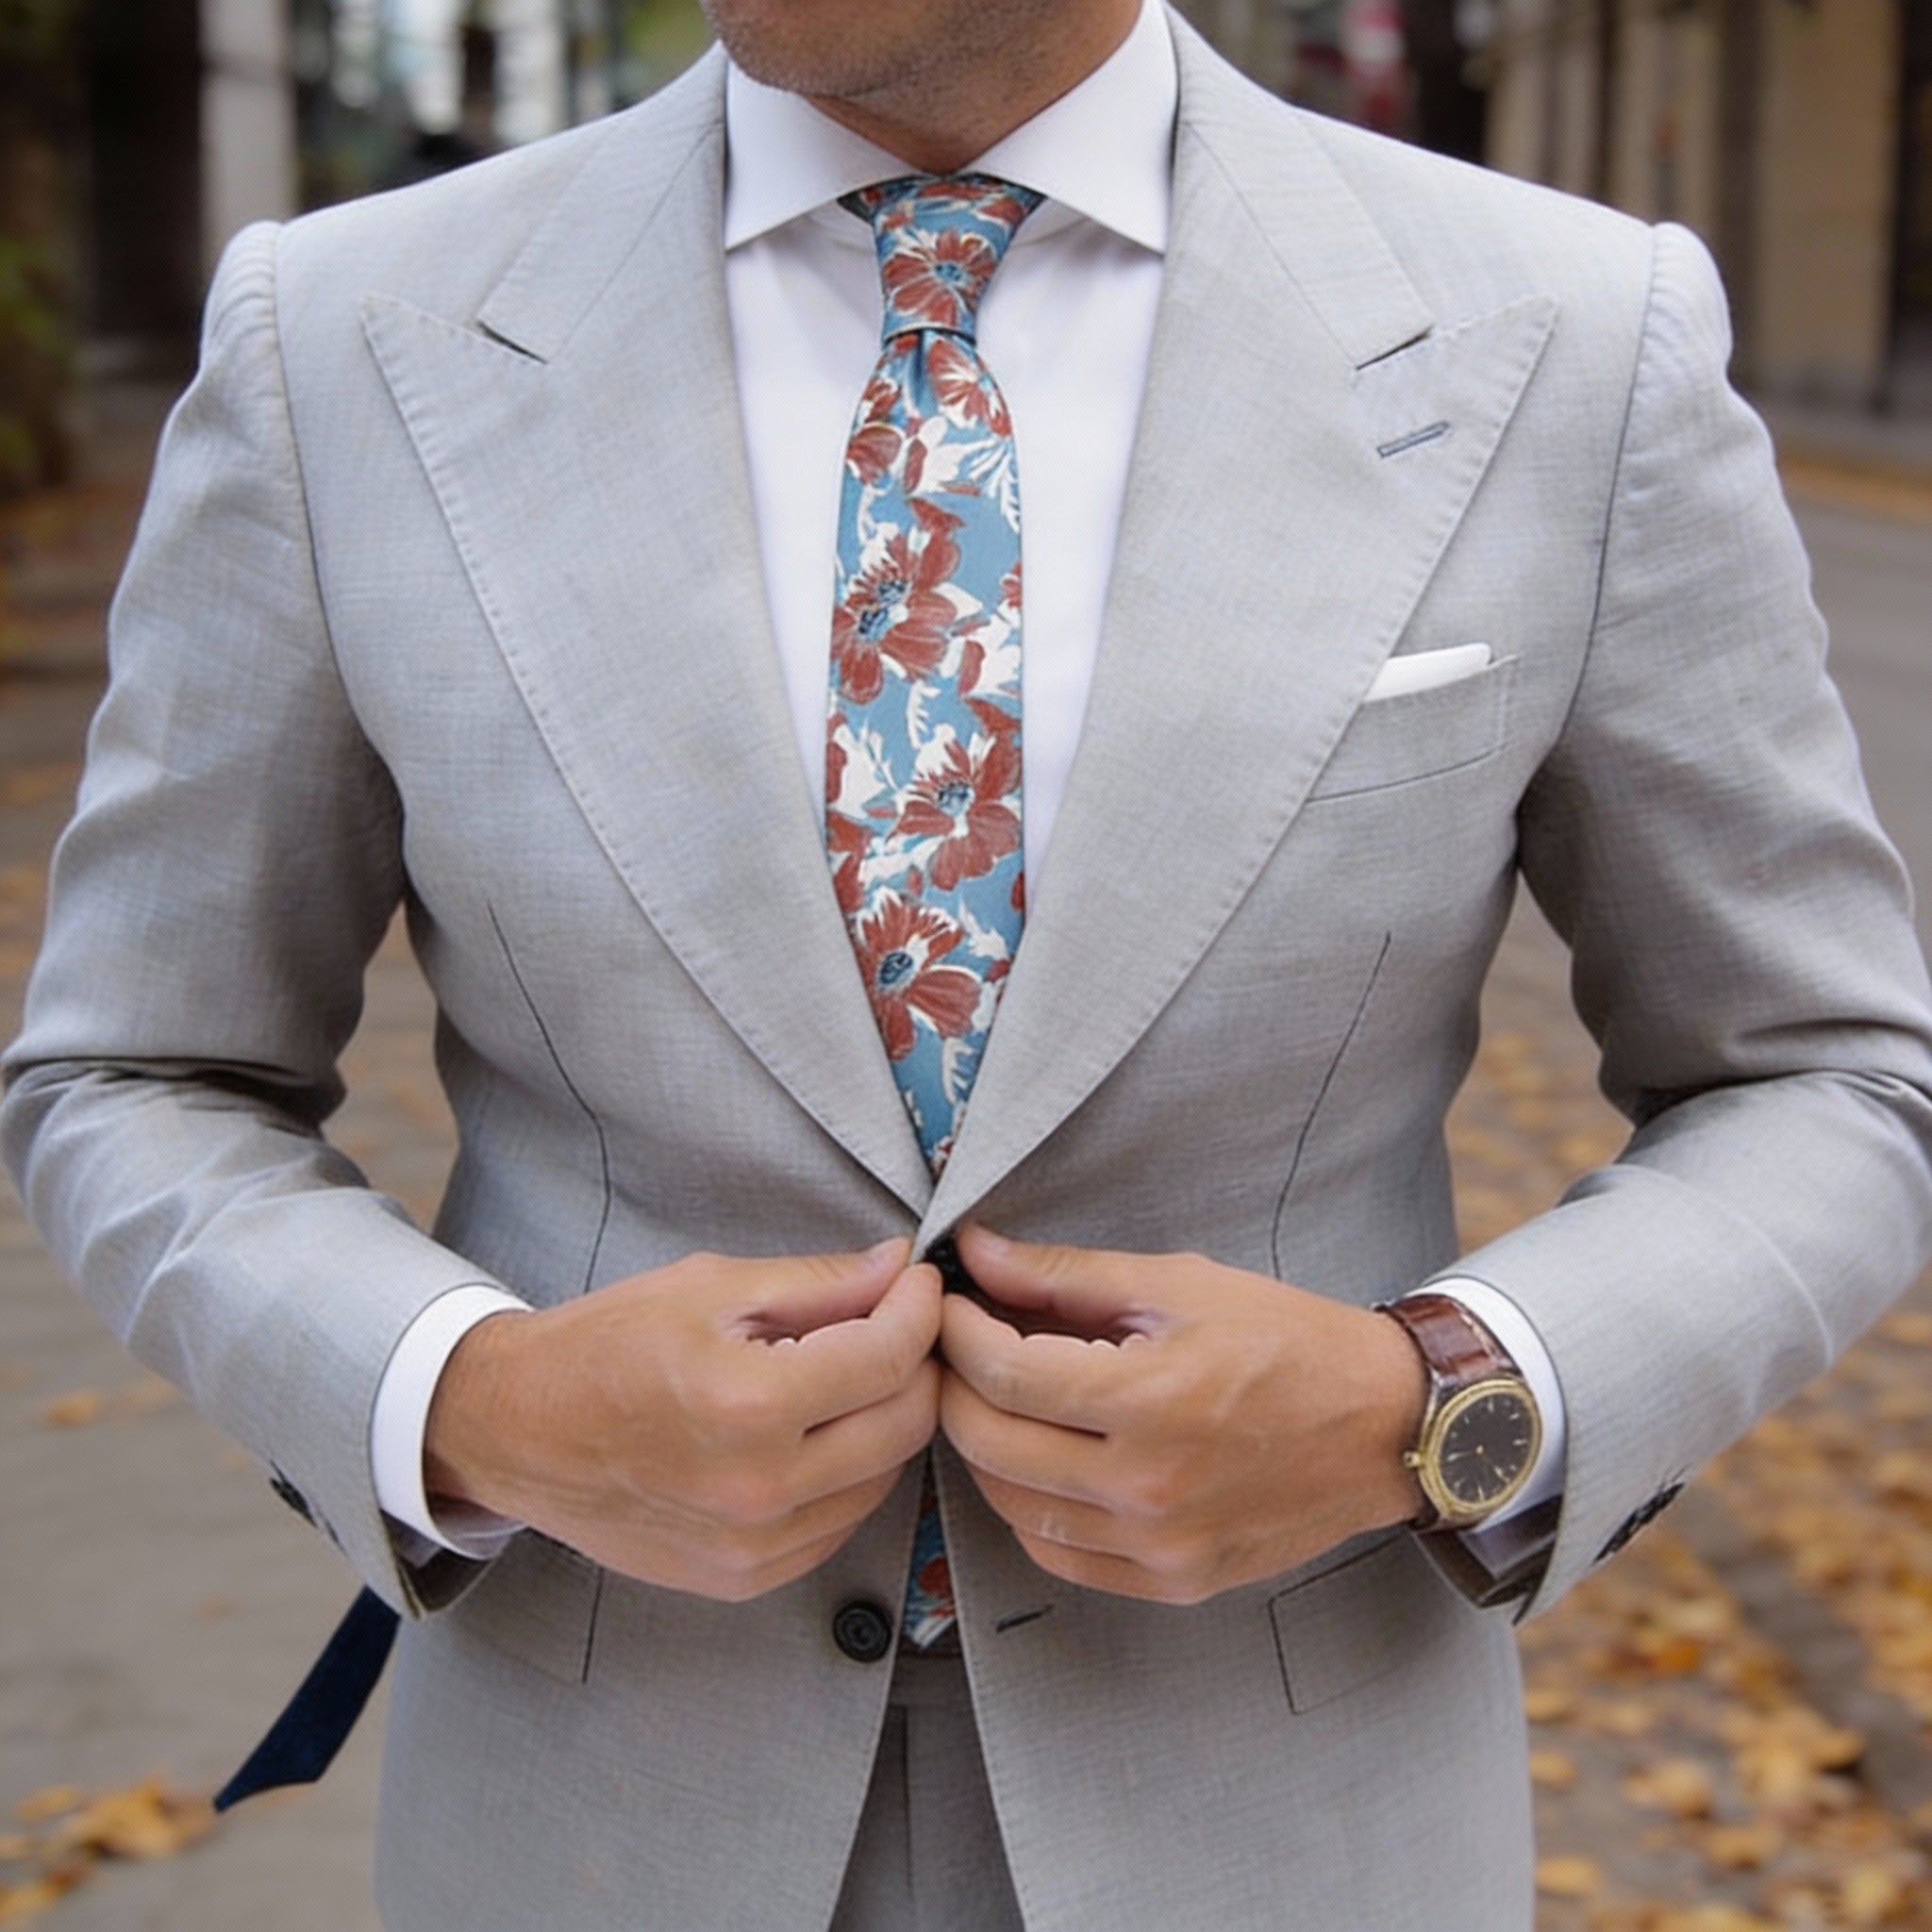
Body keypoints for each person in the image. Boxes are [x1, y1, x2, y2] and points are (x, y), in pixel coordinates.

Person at [7, 0, 1931, 1925]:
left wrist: (1427, 1405)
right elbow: (140, 1067)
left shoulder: (1572, 339)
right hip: (593, 1814)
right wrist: (468, 1401)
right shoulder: (340, 338)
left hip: (1287, 1817)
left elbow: (1827, 1077)